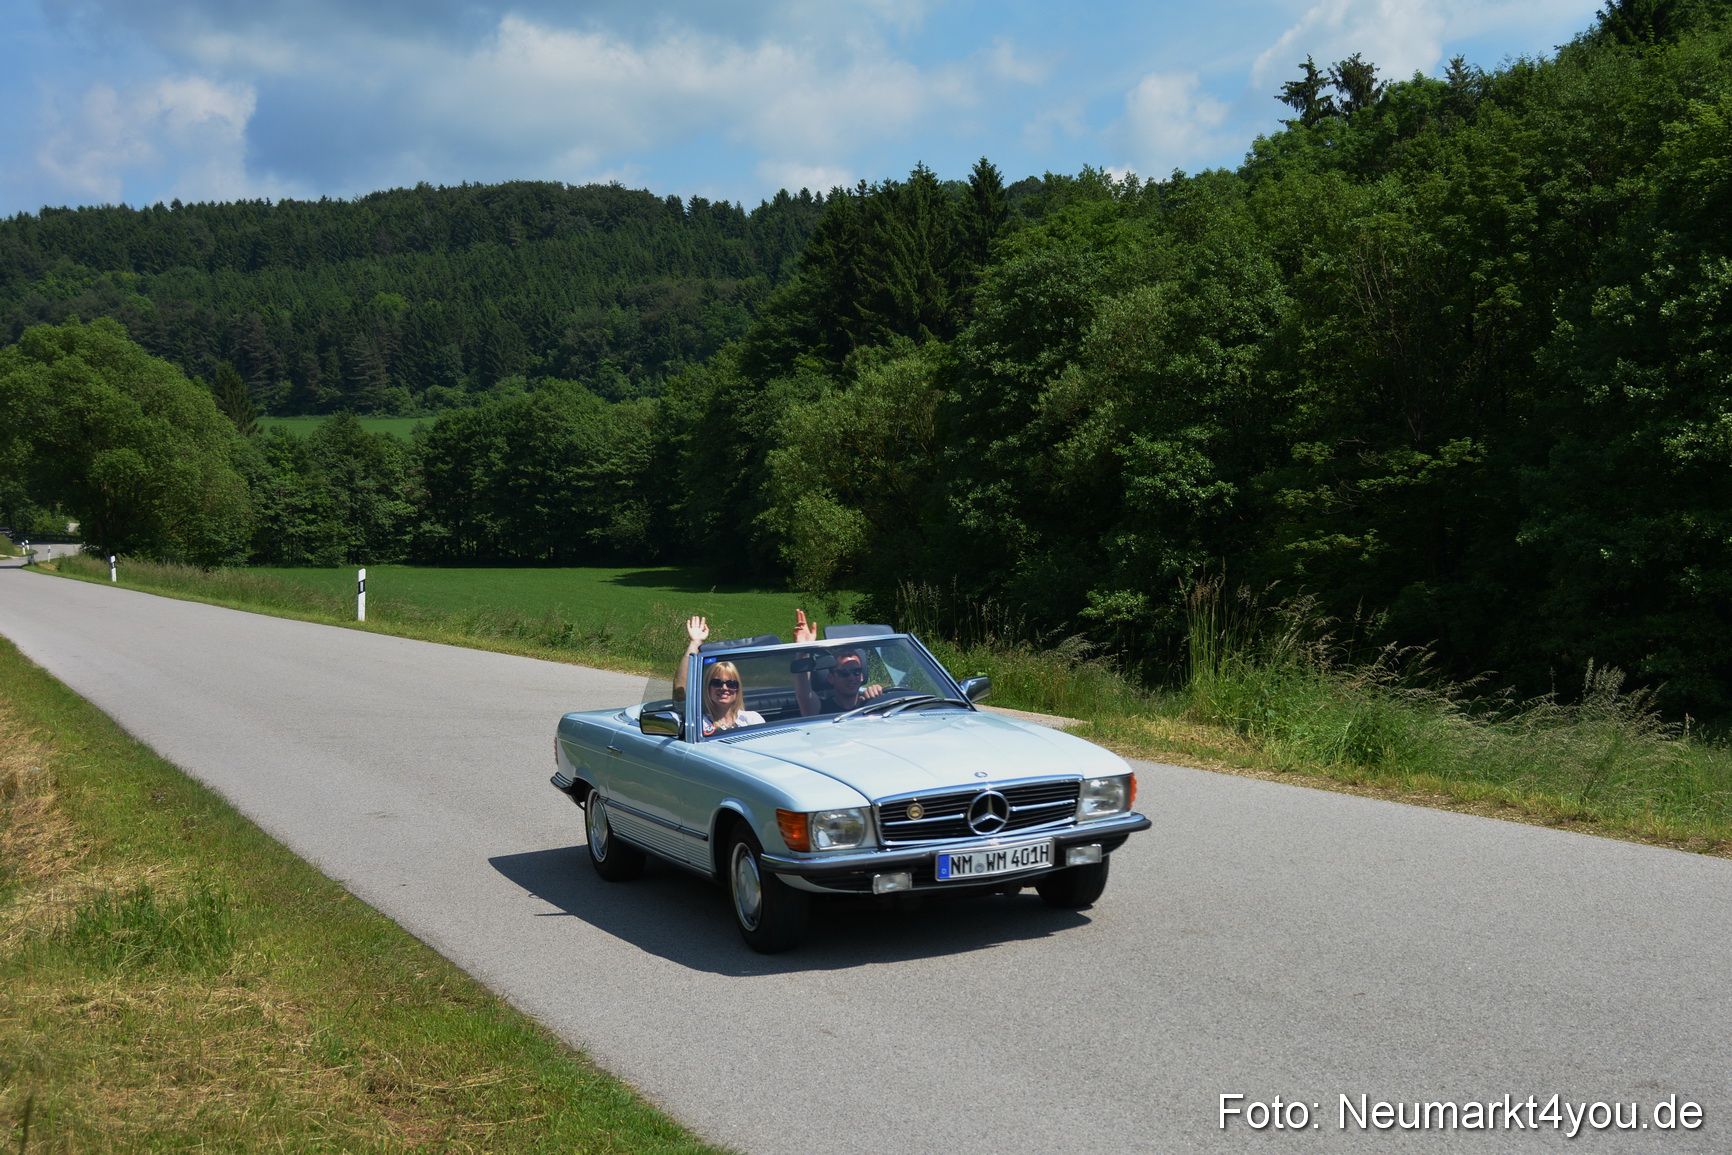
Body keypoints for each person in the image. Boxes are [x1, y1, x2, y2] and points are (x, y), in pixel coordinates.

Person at [675, 615, 765, 734]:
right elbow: (680, 690)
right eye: (717, 683)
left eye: (731, 684)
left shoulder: (752, 719)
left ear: (738, 689)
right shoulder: (698, 722)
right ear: (707, 687)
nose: (724, 688)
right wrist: (695, 642)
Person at [791, 608, 884, 716]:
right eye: (845, 673)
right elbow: (804, 695)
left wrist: (879, 696)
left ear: (862, 676)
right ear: (831, 678)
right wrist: (803, 651)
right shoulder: (821, 708)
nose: (851, 677)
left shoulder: (871, 703)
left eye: (856, 672)